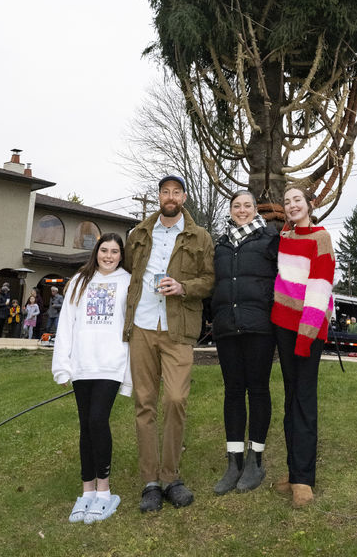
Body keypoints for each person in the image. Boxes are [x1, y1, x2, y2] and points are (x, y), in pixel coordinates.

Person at [123, 173, 214, 513]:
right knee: (144, 403)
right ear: (159, 196)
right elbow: (129, 271)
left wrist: (183, 287)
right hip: (143, 325)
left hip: (178, 328)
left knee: (175, 399)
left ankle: (171, 477)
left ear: (185, 197)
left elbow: (209, 280)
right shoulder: (138, 234)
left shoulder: (200, 236)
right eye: (165, 192)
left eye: (176, 192)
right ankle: (150, 481)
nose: (170, 196)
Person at [52, 233, 132, 523]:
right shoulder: (78, 281)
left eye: (114, 251)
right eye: (103, 250)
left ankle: (104, 491)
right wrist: (62, 365)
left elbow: (131, 327)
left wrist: (129, 372)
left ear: (121, 255)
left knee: (98, 420)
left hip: (110, 364)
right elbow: (66, 325)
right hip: (82, 365)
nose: (108, 256)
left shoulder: (127, 281)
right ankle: (86, 492)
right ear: (96, 252)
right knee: (85, 426)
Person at [271, 184, 335, 509]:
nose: (293, 204)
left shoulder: (321, 239)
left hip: (307, 330)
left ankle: (305, 481)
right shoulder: (285, 236)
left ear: (310, 204)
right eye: (287, 201)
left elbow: (320, 287)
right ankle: (293, 471)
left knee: (305, 401)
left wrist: (305, 336)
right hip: (283, 326)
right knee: (290, 399)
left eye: (298, 199)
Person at [211, 190, 279, 495]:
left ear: (256, 210)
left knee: (259, 390)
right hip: (227, 328)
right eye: (237, 206)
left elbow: (286, 277)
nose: (242, 210)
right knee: (233, 393)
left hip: (260, 328)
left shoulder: (269, 239)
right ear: (230, 209)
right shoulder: (221, 244)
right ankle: (234, 461)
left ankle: (256, 459)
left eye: (247, 206)